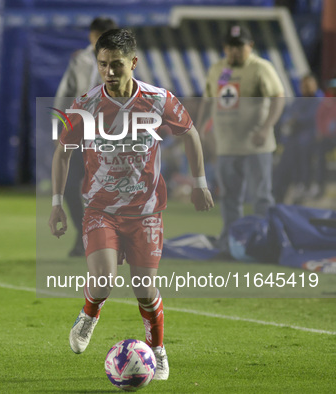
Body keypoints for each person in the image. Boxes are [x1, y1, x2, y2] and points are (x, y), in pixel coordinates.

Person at [48, 29, 213, 381]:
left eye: (117, 65)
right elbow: (63, 152)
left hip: (146, 212)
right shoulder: (85, 104)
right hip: (100, 210)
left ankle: (157, 350)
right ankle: (89, 315)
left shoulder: (158, 99)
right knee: (104, 279)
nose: (109, 72)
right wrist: (57, 202)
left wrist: (199, 183)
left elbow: (191, 133)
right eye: (103, 64)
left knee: (144, 289)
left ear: (133, 62)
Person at [199, 23, 284, 256]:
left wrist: (267, 127)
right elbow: (208, 99)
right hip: (226, 146)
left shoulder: (261, 68)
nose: (235, 51)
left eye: (240, 47)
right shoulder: (217, 69)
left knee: (260, 196)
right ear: (225, 48)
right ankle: (231, 243)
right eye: (231, 47)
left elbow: (278, 97)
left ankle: (263, 242)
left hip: (256, 146)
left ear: (250, 46)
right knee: (228, 198)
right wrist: (199, 127)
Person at [54, 17, 118, 257]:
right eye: (98, 34)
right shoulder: (80, 60)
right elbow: (64, 95)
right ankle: (85, 236)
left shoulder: (123, 61)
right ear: (92, 36)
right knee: (70, 185)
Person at [273, 74, 323, 204]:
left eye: (308, 84)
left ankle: (303, 183)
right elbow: (287, 117)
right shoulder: (297, 100)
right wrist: (293, 120)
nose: (305, 87)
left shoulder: (319, 100)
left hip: (312, 135)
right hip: (295, 136)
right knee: (287, 154)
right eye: (303, 84)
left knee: (302, 146)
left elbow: (311, 118)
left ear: (315, 85)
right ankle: (281, 189)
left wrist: (296, 119)